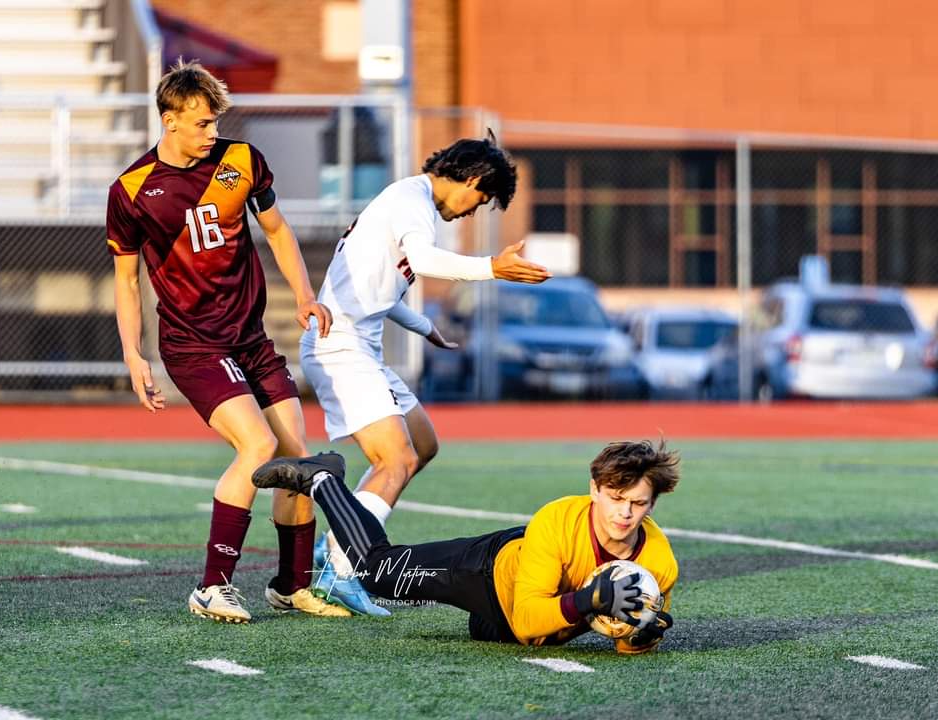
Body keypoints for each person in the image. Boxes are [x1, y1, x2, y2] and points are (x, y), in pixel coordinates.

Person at [106, 58, 347, 623]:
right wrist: (132, 353)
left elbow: (279, 230)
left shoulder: (242, 161)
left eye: (215, 121)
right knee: (258, 448)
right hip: (193, 346)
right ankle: (211, 587)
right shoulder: (134, 190)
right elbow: (125, 279)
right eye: (201, 124)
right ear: (169, 120)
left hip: (251, 338)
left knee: (297, 457)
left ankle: (291, 586)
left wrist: (306, 296)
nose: (213, 133)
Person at [300, 133, 552, 614]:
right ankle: (338, 569)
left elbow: (379, 288)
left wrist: (425, 326)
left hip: (360, 346)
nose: (472, 211)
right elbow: (424, 262)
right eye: (480, 200)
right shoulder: (410, 198)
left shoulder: (408, 203)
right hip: (341, 346)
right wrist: (492, 268)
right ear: (473, 179)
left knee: (423, 445)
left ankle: (335, 543)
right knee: (395, 461)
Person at [252, 440, 679, 652]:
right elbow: (530, 619)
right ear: (594, 490)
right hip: (487, 573)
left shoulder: (659, 563)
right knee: (378, 572)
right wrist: (590, 599)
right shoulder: (557, 519)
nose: (624, 513)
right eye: (615, 498)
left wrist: (642, 636)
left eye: (638, 503)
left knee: (487, 632)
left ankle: (484, 622)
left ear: (653, 503)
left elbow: (626, 644)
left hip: (517, 621)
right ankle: (324, 479)